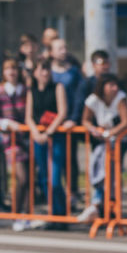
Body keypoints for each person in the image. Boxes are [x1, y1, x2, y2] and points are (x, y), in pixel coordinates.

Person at [78, 74, 127, 223]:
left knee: (111, 173)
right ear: (103, 87)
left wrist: (110, 133)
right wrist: (94, 130)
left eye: (116, 85)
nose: (115, 88)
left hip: (119, 139)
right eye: (111, 85)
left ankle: (106, 206)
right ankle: (100, 205)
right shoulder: (93, 100)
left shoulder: (121, 97)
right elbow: (85, 120)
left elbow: (126, 121)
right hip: (103, 141)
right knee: (100, 169)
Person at [25, 59, 68, 227]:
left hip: (55, 136)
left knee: (55, 179)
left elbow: (62, 111)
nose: (45, 73)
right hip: (38, 137)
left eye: (47, 70)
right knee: (44, 178)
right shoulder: (32, 91)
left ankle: (61, 215)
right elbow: (28, 116)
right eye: (41, 70)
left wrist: (49, 131)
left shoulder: (58, 87)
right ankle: (53, 214)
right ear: (35, 72)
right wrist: (35, 132)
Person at [0, 59, 30, 229]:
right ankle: (16, 214)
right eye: (8, 69)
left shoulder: (25, 91)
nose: (12, 72)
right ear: (4, 73)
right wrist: (6, 123)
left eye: (14, 68)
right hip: (11, 141)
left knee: (30, 179)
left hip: (27, 138)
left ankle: (27, 214)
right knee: (21, 177)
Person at [50, 38, 84, 208]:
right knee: (54, 161)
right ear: (51, 52)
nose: (63, 51)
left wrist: (73, 118)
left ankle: (73, 193)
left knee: (71, 161)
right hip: (51, 123)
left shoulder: (74, 72)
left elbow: (79, 97)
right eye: (59, 48)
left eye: (65, 47)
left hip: (69, 122)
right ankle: (55, 198)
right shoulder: (46, 72)